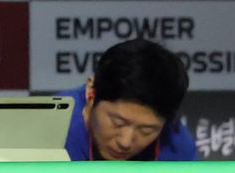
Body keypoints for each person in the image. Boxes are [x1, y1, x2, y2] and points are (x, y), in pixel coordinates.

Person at [56, 38, 197, 161]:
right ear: (91, 92)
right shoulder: (53, 130)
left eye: (146, 131)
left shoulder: (177, 144)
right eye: (117, 122)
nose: (125, 142)